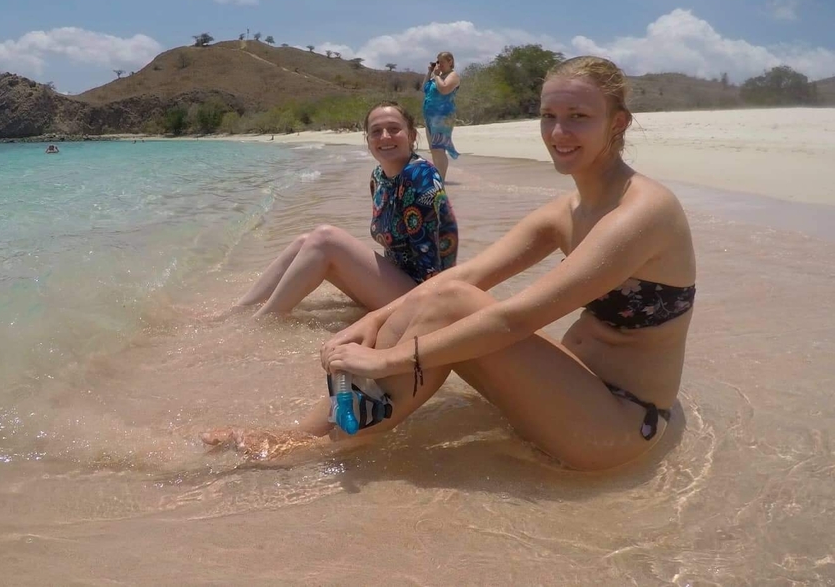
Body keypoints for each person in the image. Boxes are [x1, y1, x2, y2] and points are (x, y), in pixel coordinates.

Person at [206, 57, 696, 472]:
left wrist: (386, 359)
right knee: (445, 292)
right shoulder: (567, 212)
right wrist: (368, 324)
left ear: (618, 123)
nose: (559, 132)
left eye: (578, 117)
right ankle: (320, 431)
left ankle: (306, 446)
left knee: (450, 305)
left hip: (619, 426)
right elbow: (464, 275)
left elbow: (516, 318)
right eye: (549, 116)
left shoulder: (642, 213)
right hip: (572, 394)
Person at [234, 102, 459, 318]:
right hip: (399, 285)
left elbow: (431, 273)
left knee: (325, 239)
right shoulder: (379, 177)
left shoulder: (420, 177)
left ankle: (264, 320)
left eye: (394, 129)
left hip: (424, 298)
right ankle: (240, 310)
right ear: (368, 139)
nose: (385, 137)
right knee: (306, 241)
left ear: (411, 135)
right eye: (376, 131)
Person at [421, 51, 461, 181]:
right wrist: (430, 72)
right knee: (433, 149)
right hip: (429, 117)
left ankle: (441, 180)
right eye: (438, 62)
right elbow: (424, 88)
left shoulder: (453, 76)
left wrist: (437, 76)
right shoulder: (436, 77)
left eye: (442, 62)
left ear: (450, 61)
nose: (440, 65)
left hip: (443, 117)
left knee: (439, 148)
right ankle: (438, 177)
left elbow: (444, 89)